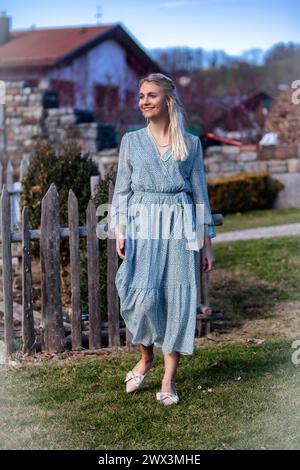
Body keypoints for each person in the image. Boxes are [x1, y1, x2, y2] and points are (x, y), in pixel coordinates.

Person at [109, 73, 216, 405]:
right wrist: (120, 228)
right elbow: (122, 189)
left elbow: (200, 195)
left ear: (168, 100)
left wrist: (207, 242)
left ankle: (168, 380)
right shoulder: (131, 141)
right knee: (140, 299)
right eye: (141, 95)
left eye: (151, 95)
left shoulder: (191, 144)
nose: (144, 101)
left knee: (175, 302)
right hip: (143, 224)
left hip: (180, 226)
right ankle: (146, 357)